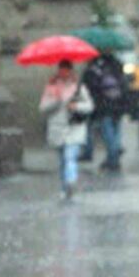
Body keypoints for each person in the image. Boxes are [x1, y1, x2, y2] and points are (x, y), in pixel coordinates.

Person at [39, 60, 94, 200]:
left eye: (66, 70)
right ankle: (64, 188)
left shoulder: (78, 87)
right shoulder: (51, 86)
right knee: (63, 160)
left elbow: (89, 106)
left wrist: (76, 106)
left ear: (70, 71)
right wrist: (56, 101)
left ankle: (71, 182)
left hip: (74, 128)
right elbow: (43, 107)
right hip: (57, 128)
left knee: (70, 157)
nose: (63, 73)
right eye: (61, 70)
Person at [80, 50, 128, 172]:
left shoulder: (94, 68)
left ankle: (113, 160)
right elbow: (125, 84)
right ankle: (114, 156)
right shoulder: (117, 66)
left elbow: (90, 88)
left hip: (104, 106)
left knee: (108, 133)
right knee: (116, 131)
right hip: (119, 103)